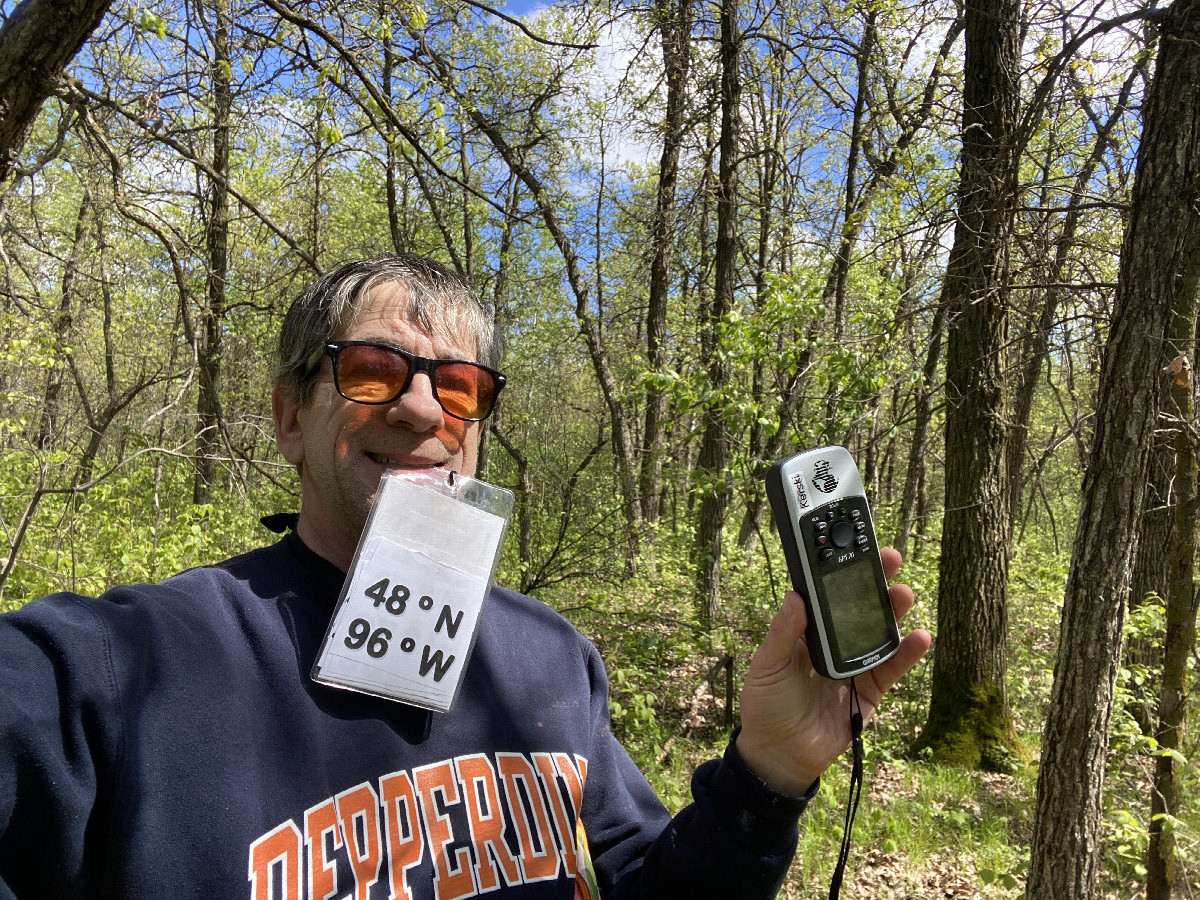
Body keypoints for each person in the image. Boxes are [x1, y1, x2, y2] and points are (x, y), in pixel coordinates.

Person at [0, 254, 931, 899]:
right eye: (371, 371)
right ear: (290, 418)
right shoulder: (129, 665)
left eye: (458, 388)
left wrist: (768, 774)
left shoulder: (552, 659)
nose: (418, 407)